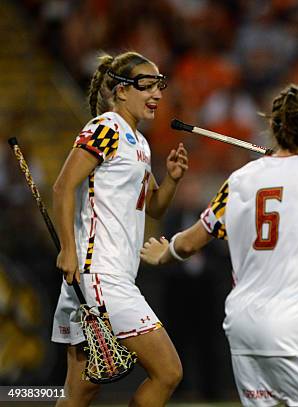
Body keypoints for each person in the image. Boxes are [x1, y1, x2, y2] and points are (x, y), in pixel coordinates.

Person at [140, 84, 298, 406]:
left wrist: (165, 252)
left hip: (242, 327)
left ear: (274, 127)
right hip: (294, 331)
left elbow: (190, 242)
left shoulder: (239, 180)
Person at [52, 51, 188, 407]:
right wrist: (67, 248)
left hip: (105, 277)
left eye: (160, 84)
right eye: (146, 84)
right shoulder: (106, 128)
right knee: (168, 371)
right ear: (121, 91)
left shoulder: (138, 142)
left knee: (79, 392)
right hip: (100, 276)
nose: (157, 93)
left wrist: (171, 181)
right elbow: (63, 187)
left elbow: (154, 207)